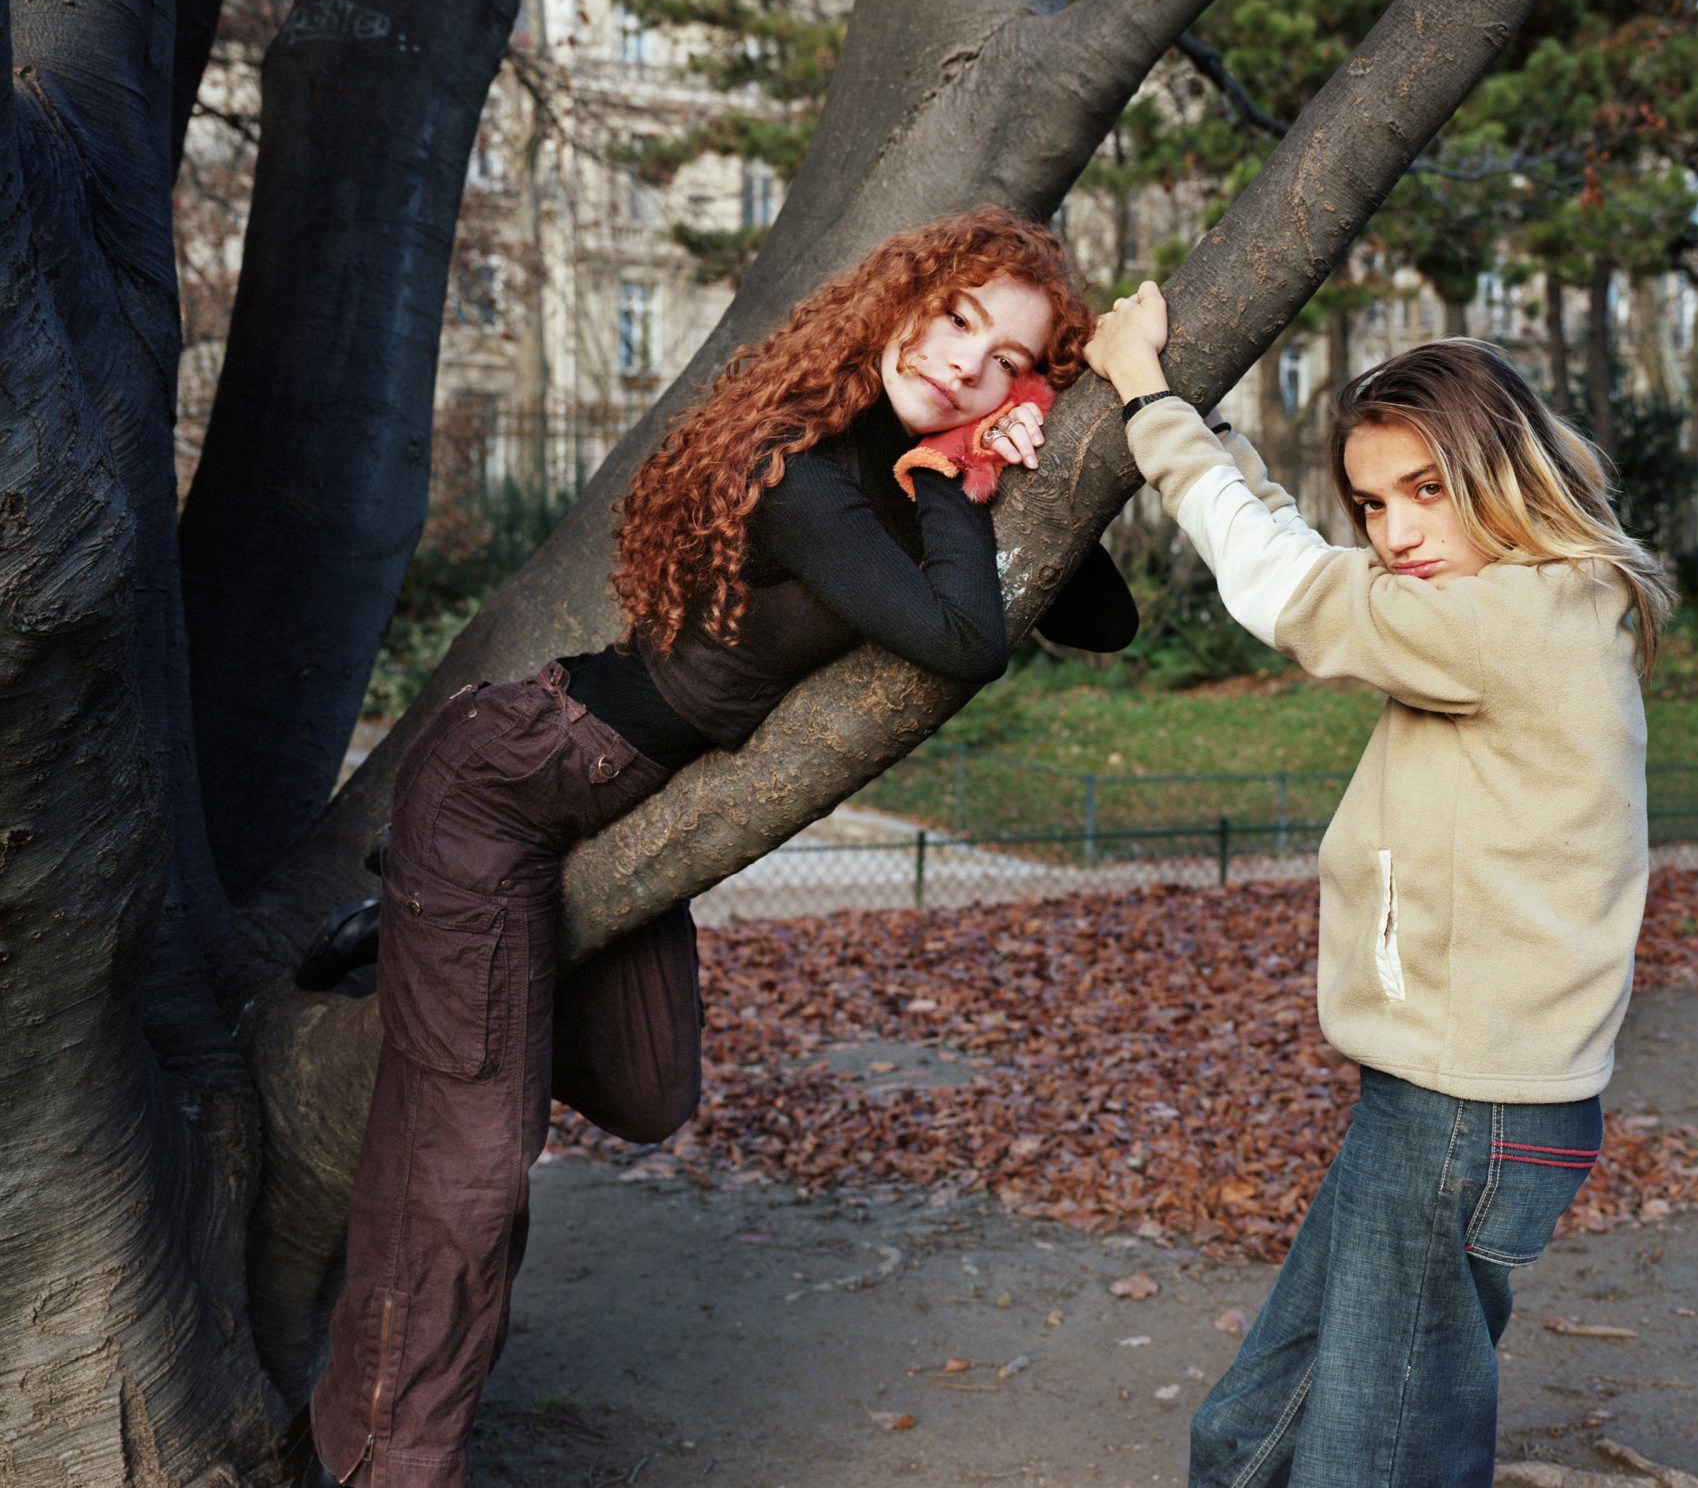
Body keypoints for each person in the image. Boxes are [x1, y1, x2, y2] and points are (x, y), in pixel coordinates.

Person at [301, 209, 1136, 1488]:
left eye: (1008, 360)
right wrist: (969, 478)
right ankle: (382, 1467)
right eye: (959, 318)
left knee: (649, 1088)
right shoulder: (803, 472)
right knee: (465, 1183)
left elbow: (1103, 615)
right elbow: (965, 644)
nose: (968, 363)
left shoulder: (893, 458)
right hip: (508, 785)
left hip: (616, 816)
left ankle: (417, 937)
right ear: (903, 304)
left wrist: (1009, 458)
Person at [1087, 285, 1671, 1488]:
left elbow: (1288, 595)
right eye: (1368, 502)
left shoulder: (1515, 616)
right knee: (1256, 1431)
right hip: (1435, 1095)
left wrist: (1151, 409)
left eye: (1425, 491)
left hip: (1468, 1107)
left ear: (1503, 476)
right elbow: (1299, 559)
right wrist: (1214, 435)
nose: (1394, 532)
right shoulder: (1524, 603)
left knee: (1375, 1454)